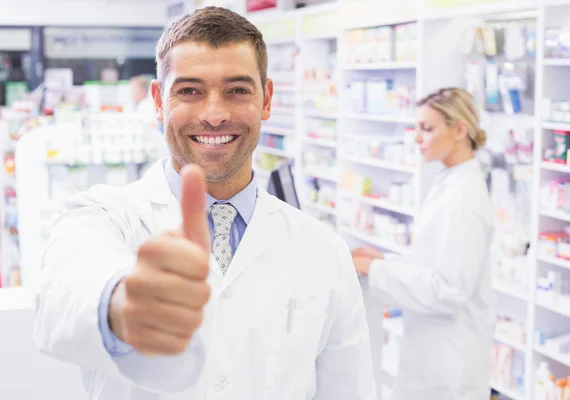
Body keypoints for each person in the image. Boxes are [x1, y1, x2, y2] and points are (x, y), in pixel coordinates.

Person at [34, 7, 376, 400]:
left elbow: (348, 389)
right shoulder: (102, 215)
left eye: (238, 90)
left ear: (266, 100)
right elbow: (65, 288)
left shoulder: (323, 249)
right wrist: (121, 301)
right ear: (159, 101)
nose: (214, 114)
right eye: (190, 91)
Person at [353, 87, 494, 400]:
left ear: (460, 130)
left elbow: (449, 289)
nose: (417, 138)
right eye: (416, 128)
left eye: (427, 129)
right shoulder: (450, 181)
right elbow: (433, 261)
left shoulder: (463, 198)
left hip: (450, 363)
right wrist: (385, 262)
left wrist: (375, 271)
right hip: (436, 350)